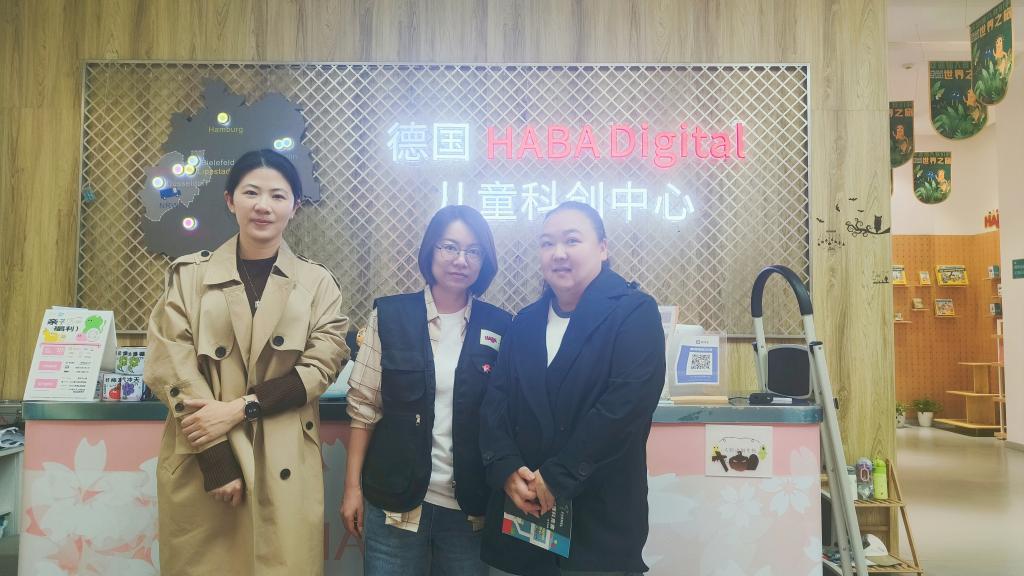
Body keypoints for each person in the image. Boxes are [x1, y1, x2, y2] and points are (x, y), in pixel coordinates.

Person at [145, 149, 350, 576]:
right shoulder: (188, 277)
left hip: (285, 456)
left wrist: (241, 408)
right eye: (251, 192)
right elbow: (171, 366)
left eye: (278, 195)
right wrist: (216, 459)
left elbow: (321, 366)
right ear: (229, 200)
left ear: (295, 206)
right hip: (204, 454)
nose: (263, 206)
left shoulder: (318, 284)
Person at [479, 201, 665, 576]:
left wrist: (557, 477)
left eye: (572, 240)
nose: (558, 253)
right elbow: (496, 403)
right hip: (526, 519)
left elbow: (624, 408)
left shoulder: (634, 312)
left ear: (603, 248)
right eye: (547, 243)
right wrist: (506, 468)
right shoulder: (525, 322)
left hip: (599, 523)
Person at [342, 205, 512, 576]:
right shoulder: (390, 316)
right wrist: (352, 488)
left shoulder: (501, 326)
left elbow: (505, 418)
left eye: (473, 251)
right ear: (430, 250)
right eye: (449, 247)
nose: (461, 260)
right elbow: (364, 408)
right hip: (394, 504)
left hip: (469, 510)